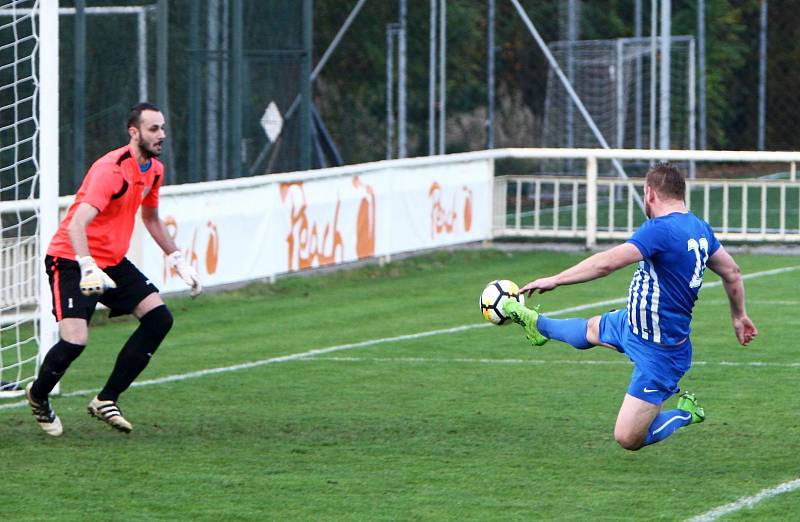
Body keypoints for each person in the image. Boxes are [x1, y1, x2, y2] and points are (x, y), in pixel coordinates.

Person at [503, 163, 757, 451]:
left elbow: (606, 264)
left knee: (628, 438)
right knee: (591, 330)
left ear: (649, 193)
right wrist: (739, 316)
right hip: (632, 324)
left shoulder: (660, 229)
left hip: (661, 352)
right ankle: (537, 325)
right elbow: (733, 272)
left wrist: (556, 279)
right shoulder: (699, 228)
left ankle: (686, 413)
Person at [25, 102, 202, 436]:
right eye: (154, 129)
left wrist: (178, 260)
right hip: (71, 257)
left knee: (159, 318)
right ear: (134, 132)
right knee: (75, 340)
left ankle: (106, 399)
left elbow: (150, 218)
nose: (161, 135)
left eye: (163, 128)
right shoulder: (112, 169)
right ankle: (38, 396)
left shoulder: (155, 170)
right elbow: (78, 224)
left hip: (112, 261)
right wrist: (87, 265)